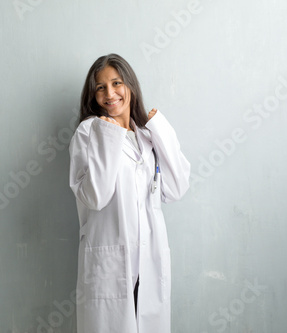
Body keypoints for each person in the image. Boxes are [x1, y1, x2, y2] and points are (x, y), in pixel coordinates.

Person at [68, 53, 191, 333]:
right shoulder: (88, 133)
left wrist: (159, 127)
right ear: (93, 94)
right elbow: (95, 196)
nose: (109, 93)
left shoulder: (147, 137)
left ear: (130, 86)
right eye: (100, 87)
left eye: (116, 83)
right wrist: (109, 138)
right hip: (110, 262)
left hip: (149, 258)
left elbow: (176, 188)